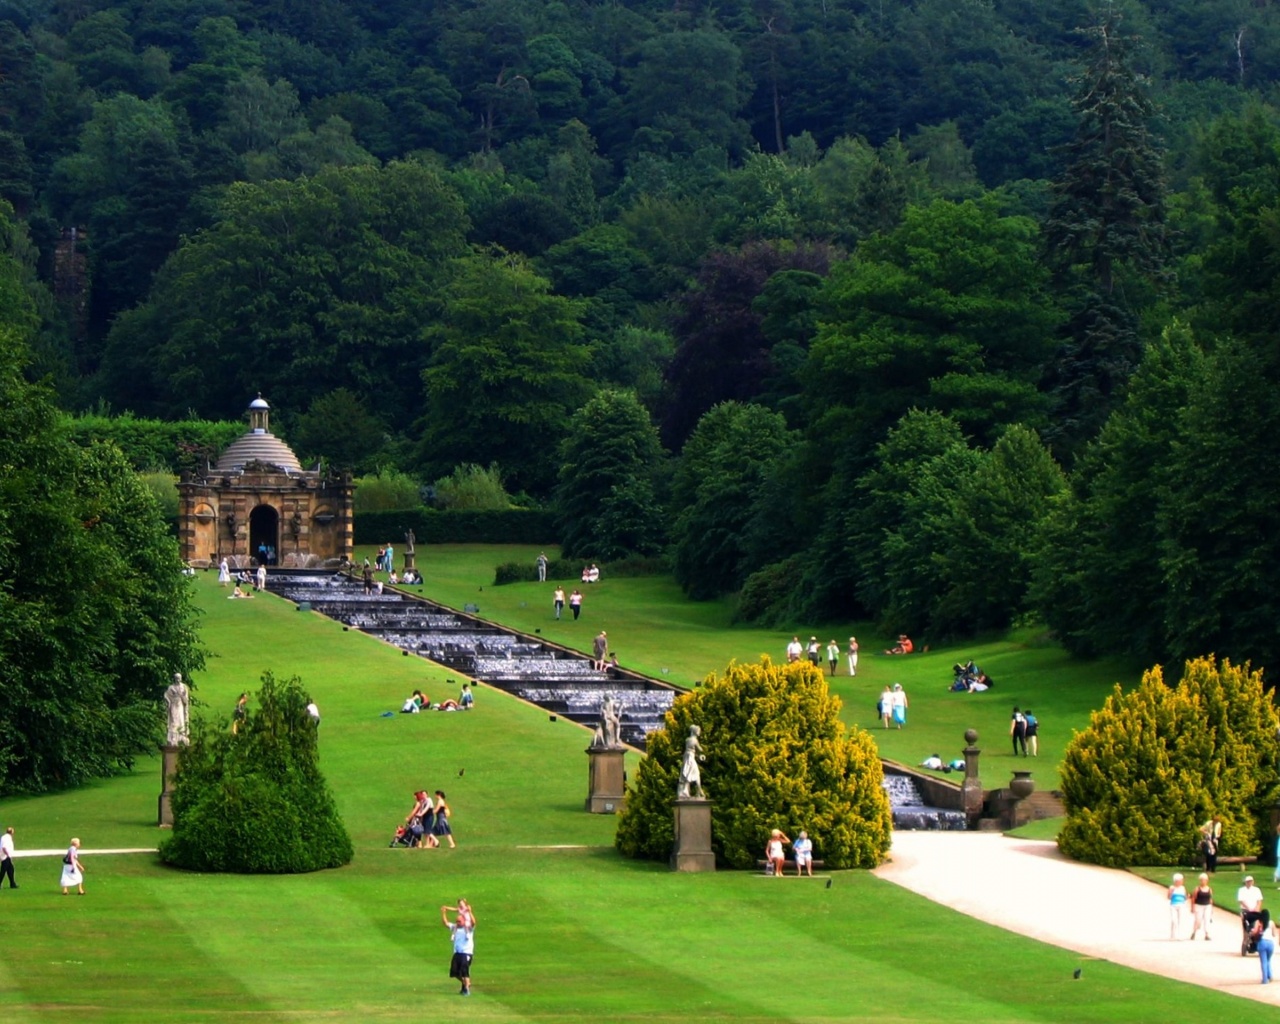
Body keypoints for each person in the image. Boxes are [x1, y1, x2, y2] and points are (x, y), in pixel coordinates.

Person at [442, 900, 476, 996]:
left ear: (464, 921)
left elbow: (473, 922)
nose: (458, 922)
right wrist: (444, 912)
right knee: (454, 972)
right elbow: (445, 923)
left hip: (466, 953)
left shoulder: (468, 929)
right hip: (457, 953)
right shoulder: (455, 927)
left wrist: (470, 912)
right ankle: (466, 984)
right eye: (457, 921)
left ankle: (466, 989)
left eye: (459, 921)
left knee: (464, 971)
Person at [677, 725, 704, 799]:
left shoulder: (687, 739)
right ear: (695, 732)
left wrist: (698, 756)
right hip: (690, 758)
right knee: (694, 773)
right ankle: (690, 790)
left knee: (690, 772)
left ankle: (698, 791)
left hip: (687, 757)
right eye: (698, 731)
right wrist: (701, 753)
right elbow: (700, 749)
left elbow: (691, 750)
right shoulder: (694, 740)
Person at [164, 673, 190, 747]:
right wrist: (168, 701)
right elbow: (166, 695)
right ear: (174, 679)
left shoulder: (184, 687)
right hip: (173, 706)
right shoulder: (171, 687)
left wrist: (182, 696)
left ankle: (181, 736)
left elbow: (186, 699)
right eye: (177, 678)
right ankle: (173, 737)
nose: (178, 680)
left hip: (180, 706)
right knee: (174, 721)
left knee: (181, 720)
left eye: (179, 678)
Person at [1189, 873, 1213, 941]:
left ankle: (1207, 934)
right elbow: (1193, 898)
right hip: (1199, 905)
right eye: (1202, 880)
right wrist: (1192, 907)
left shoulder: (1209, 889)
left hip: (1207, 906)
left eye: (1205, 880)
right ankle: (1194, 932)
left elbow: (1210, 899)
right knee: (1198, 920)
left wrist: (1212, 908)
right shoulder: (1197, 889)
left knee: (1207, 920)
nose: (1203, 881)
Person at [1167, 872, 1188, 939]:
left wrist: (1187, 896)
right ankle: (1172, 934)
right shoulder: (1172, 887)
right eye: (1179, 881)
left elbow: (1185, 897)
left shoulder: (1183, 888)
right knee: (1174, 920)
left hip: (1181, 905)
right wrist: (1171, 892)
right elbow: (1169, 897)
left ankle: (1179, 935)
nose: (1180, 882)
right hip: (1173, 905)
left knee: (1181, 920)